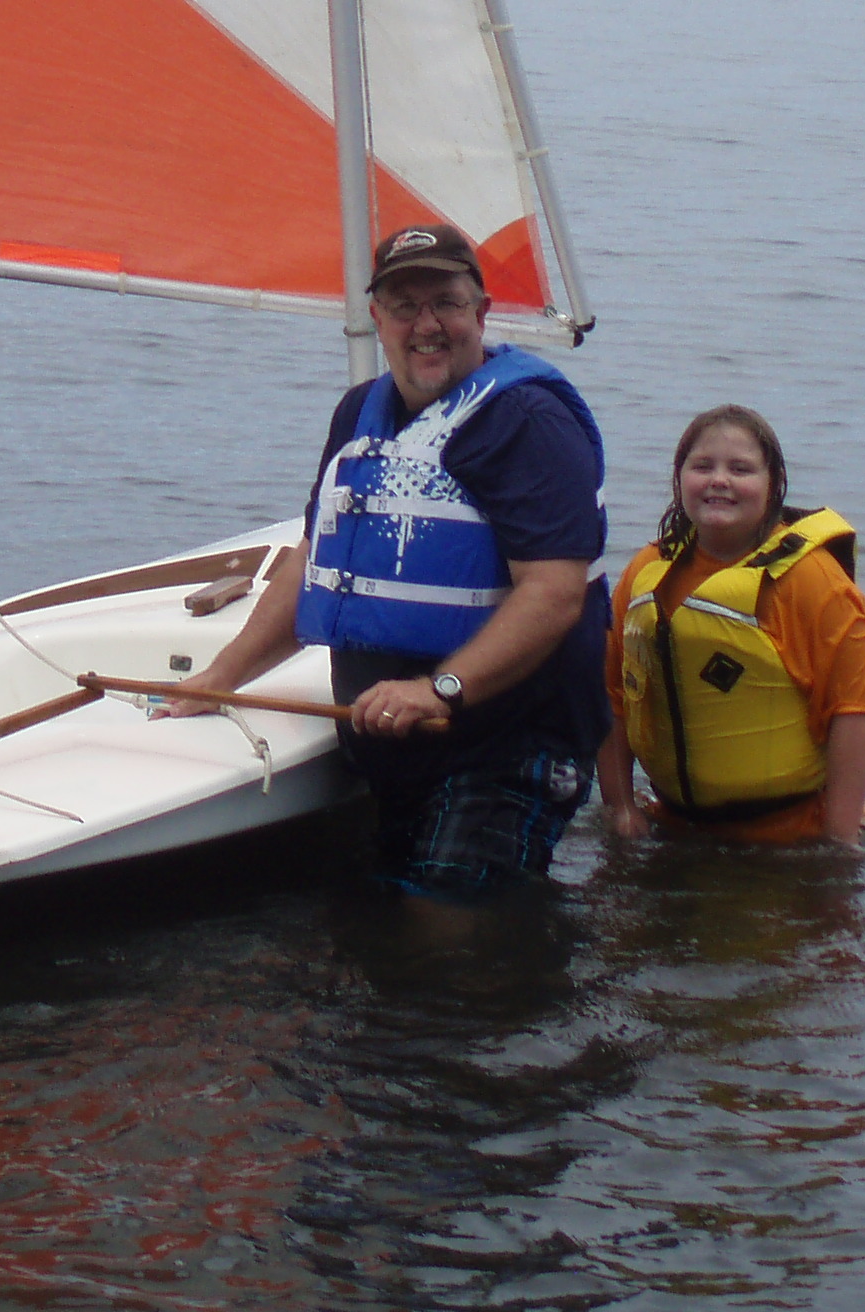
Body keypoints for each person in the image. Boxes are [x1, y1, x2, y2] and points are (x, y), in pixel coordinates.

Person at [170, 222, 609, 902]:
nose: (426, 325)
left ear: (481, 312)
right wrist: (221, 678)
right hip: (394, 744)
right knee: (377, 935)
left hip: (505, 744)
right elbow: (314, 560)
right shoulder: (358, 414)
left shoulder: (527, 422)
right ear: (377, 318)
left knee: (445, 941)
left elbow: (553, 595)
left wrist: (440, 690)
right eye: (404, 306)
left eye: (446, 303)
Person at [599, 404, 865, 850]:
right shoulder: (646, 572)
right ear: (679, 480)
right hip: (675, 827)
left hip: (790, 836)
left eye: (741, 469)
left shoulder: (813, 582)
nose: (719, 480)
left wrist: (841, 841)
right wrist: (621, 807)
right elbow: (614, 697)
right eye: (702, 466)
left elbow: (853, 712)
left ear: (773, 485)